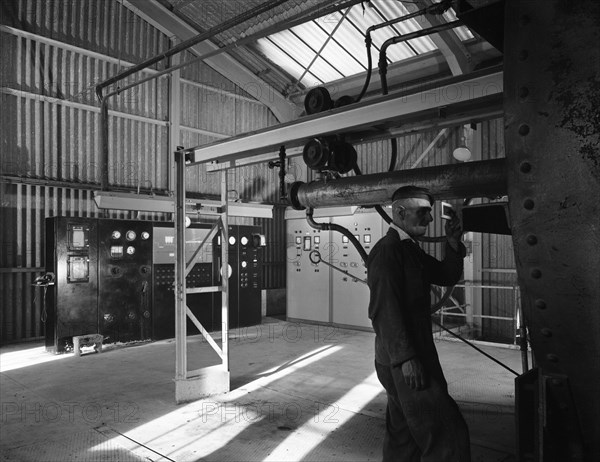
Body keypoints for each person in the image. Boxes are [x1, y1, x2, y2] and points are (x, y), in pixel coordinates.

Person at [367, 185, 471, 462]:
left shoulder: (408, 249)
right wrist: (407, 359)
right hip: (405, 359)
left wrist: (452, 243)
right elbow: (384, 311)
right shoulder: (388, 251)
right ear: (400, 212)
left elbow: (445, 275)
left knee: (404, 437)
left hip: (405, 356)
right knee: (447, 435)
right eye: (423, 212)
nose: (430, 219)